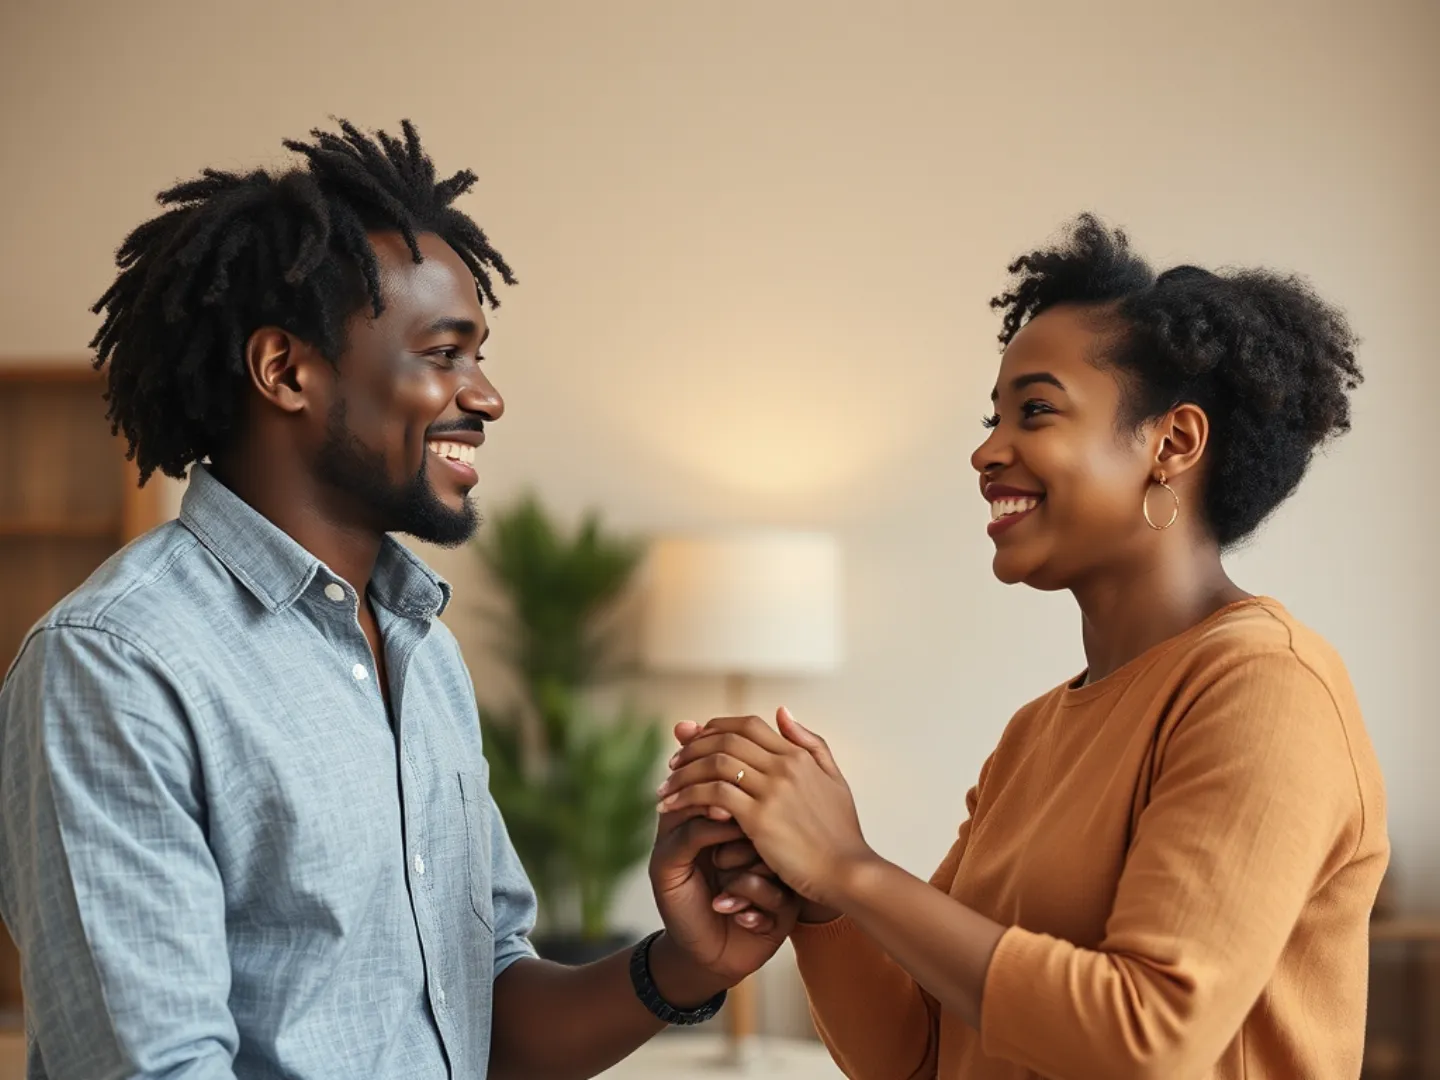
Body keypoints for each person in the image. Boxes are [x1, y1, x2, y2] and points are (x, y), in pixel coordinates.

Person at [0, 119, 793, 1080]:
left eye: (479, 354)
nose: (487, 396)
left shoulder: (422, 650)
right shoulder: (115, 662)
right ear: (286, 371)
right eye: (445, 353)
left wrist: (680, 966)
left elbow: (483, 1012)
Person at [659, 215, 1389, 1080]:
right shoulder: (1033, 736)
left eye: (1035, 410)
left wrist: (850, 868)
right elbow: (917, 1055)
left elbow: (1147, 1036)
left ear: (1174, 443)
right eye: (994, 415)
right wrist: (814, 898)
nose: (986, 450)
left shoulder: (1267, 689)